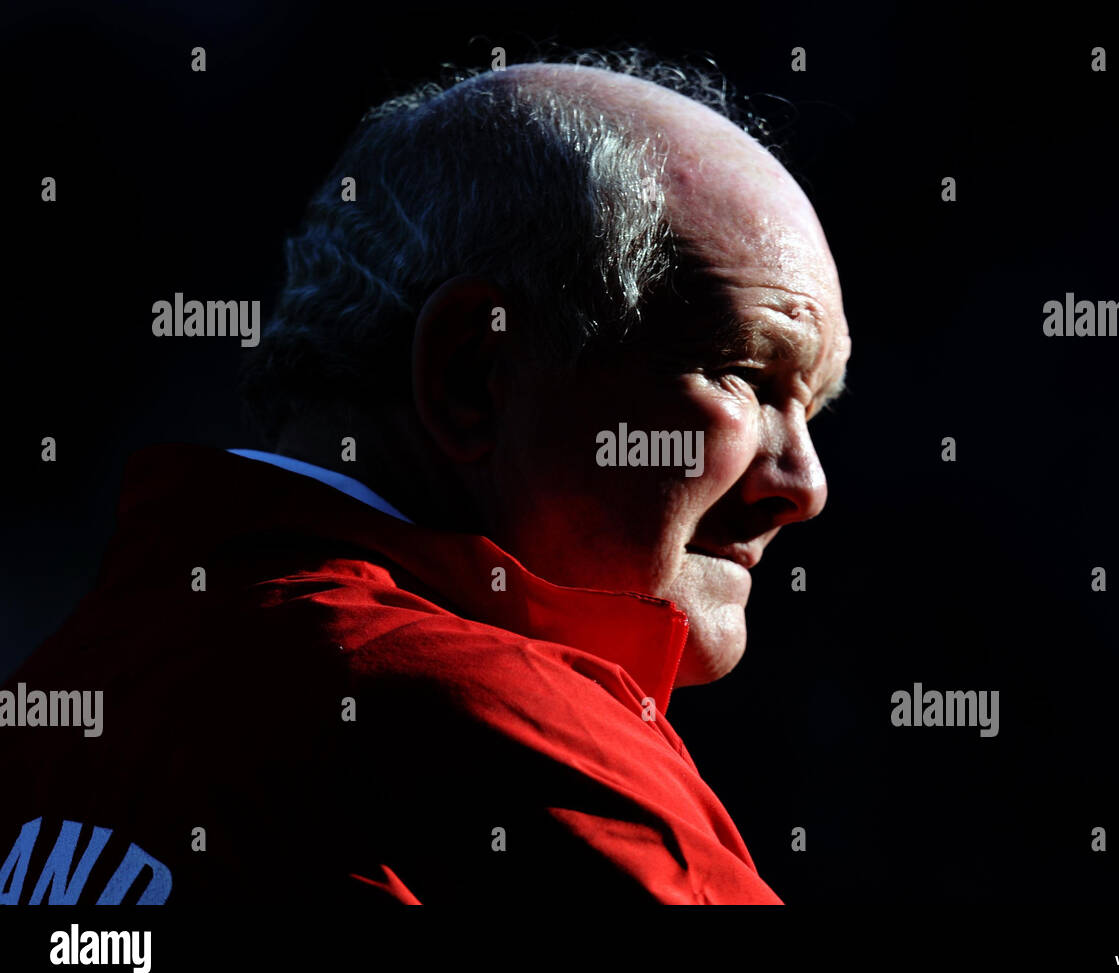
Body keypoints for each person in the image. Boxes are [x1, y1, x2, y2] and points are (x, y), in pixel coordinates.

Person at [0, 52, 850, 906]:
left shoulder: (57, 701)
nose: (803, 485)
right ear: (474, 375)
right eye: (747, 372)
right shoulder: (503, 733)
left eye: (813, 408)